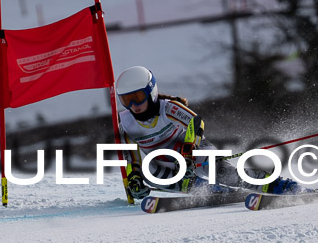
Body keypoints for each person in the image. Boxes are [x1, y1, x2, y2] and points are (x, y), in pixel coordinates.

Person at [116, 65, 302, 200]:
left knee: (222, 173)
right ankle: (205, 189)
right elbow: (131, 158)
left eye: (138, 98)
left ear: (151, 92)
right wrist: (134, 179)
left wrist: (188, 155)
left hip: (195, 154)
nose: (133, 106)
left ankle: (277, 185)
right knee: (150, 173)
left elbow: (196, 123)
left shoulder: (169, 108)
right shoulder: (125, 122)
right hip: (166, 164)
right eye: (126, 100)